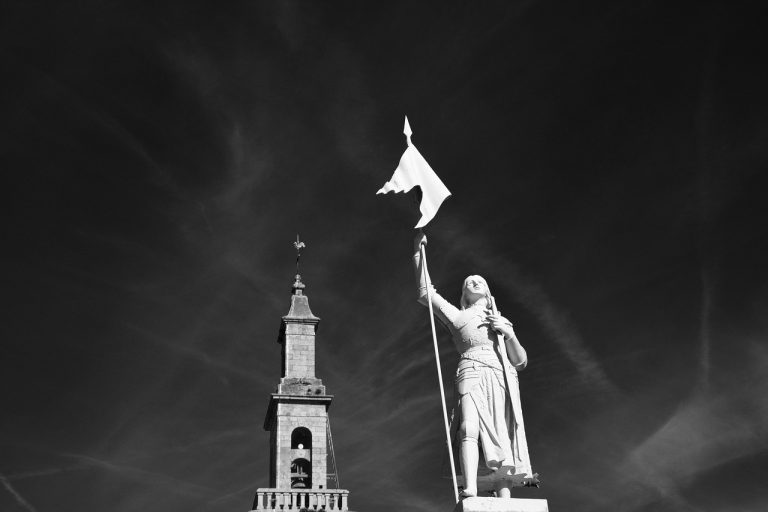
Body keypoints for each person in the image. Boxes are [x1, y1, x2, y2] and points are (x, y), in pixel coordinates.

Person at [413, 232, 533, 498]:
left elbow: (520, 361)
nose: (475, 281)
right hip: (470, 370)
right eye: (469, 281)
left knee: (502, 432)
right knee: (469, 426)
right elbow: (425, 293)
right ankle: (470, 487)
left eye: (480, 280)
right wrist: (417, 251)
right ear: (465, 293)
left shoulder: (501, 320)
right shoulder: (458, 317)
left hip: (501, 374)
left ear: (487, 291)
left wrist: (509, 333)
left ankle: (504, 493)